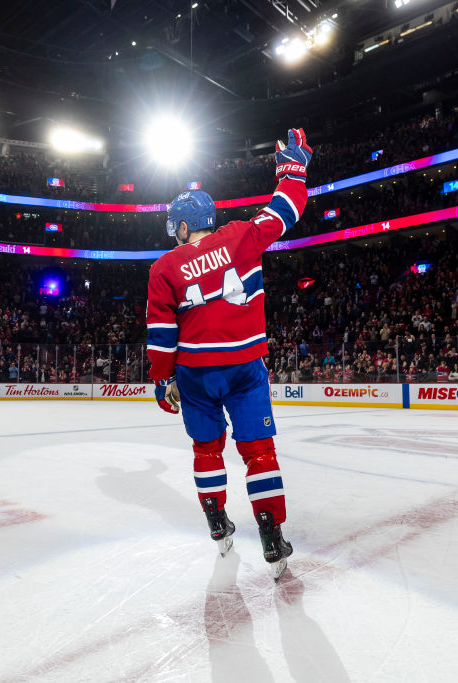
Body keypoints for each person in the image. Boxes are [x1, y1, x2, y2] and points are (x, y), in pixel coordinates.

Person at [146, 128, 312, 580]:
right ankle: (272, 536)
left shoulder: (163, 267)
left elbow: (160, 335)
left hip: (195, 373)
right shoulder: (241, 236)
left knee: (206, 449)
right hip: (244, 366)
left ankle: (217, 522)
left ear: (182, 226)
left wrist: (163, 381)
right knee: (259, 453)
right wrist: (292, 167)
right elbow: (286, 209)